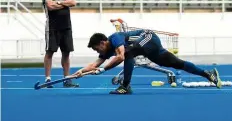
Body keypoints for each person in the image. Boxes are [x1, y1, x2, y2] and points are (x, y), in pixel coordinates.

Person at [73, 29, 222, 94]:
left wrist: (103, 70)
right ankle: (208, 74)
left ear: (102, 42)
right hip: (148, 50)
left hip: (148, 37)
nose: (97, 52)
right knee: (177, 63)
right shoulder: (108, 50)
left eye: (96, 49)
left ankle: (125, 86)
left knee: (129, 52)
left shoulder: (115, 37)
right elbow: (94, 64)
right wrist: (80, 72)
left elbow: (121, 57)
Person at [42, 0, 78, 88]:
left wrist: (57, 2)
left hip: (66, 26)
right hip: (52, 27)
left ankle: (67, 79)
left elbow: (73, 3)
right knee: (50, 52)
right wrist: (64, 2)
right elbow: (50, 6)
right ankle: (47, 79)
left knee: (66, 53)